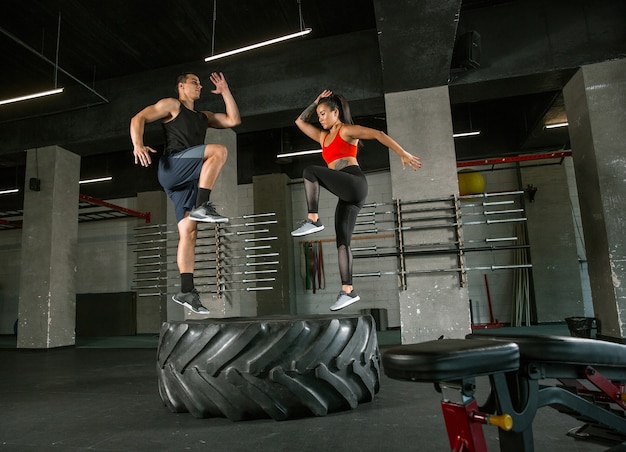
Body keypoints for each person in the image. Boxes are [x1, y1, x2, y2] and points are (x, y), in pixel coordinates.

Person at [292, 90, 422, 311]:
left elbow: (379, 134)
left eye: (324, 113)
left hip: (354, 182)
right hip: (348, 194)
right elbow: (299, 121)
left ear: (336, 112)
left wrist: (402, 153)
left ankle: (313, 218)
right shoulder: (323, 137)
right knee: (342, 242)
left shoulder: (346, 130)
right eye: (319, 114)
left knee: (310, 171)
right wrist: (315, 102)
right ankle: (348, 291)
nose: (320, 117)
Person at [130, 72, 241, 314]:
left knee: (189, 232)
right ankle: (202, 205)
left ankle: (186, 291)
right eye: (194, 83)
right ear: (181, 86)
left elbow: (233, 119)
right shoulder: (172, 105)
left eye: (200, 84)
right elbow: (138, 118)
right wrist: (138, 143)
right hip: (172, 166)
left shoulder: (204, 117)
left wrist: (225, 92)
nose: (199, 86)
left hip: (185, 180)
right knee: (219, 151)